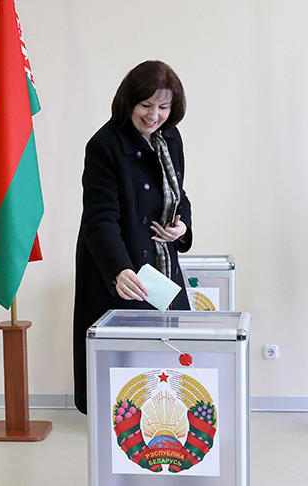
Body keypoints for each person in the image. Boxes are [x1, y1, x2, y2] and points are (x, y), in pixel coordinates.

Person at [72, 60, 193, 414]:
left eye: (164, 106)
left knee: (175, 361)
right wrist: (119, 269)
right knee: (125, 379)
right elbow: (99, 219)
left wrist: (181, 227)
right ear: (129, 102)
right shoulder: (104, 145)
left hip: (162, 269)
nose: (154, 115)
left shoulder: (170, 138)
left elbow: (180, 196)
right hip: (121, 271)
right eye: (146, 105)